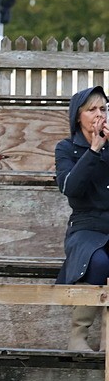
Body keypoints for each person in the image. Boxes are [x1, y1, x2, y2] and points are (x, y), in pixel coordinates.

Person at [55, 85, 109, 350]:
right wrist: (94, 150)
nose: (99, 115)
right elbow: (71, 189)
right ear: (78, 116)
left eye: (103, 108)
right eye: (92, 110)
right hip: (86, 228)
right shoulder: (65, 148)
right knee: (97, 260)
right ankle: (78, 336)